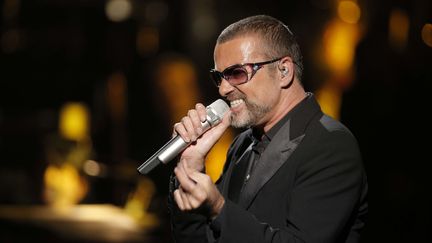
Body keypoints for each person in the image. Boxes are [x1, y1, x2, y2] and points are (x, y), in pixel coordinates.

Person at [167, 15, 368, 243]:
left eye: (237, 73)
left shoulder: (330, 145)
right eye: (219, 77)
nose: (223, 89)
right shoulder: (243, 144)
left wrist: (219, 209)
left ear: (284, 71)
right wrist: (189, 168)